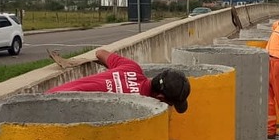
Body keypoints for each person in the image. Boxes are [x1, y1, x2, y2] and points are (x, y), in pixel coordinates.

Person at [47, 49, 191, 114]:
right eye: (170, 104)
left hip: (48, 97)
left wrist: (114, 74)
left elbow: (100, 53)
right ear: (160, 98)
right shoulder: (138, 108)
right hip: (56, 112)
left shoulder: (131, 68)